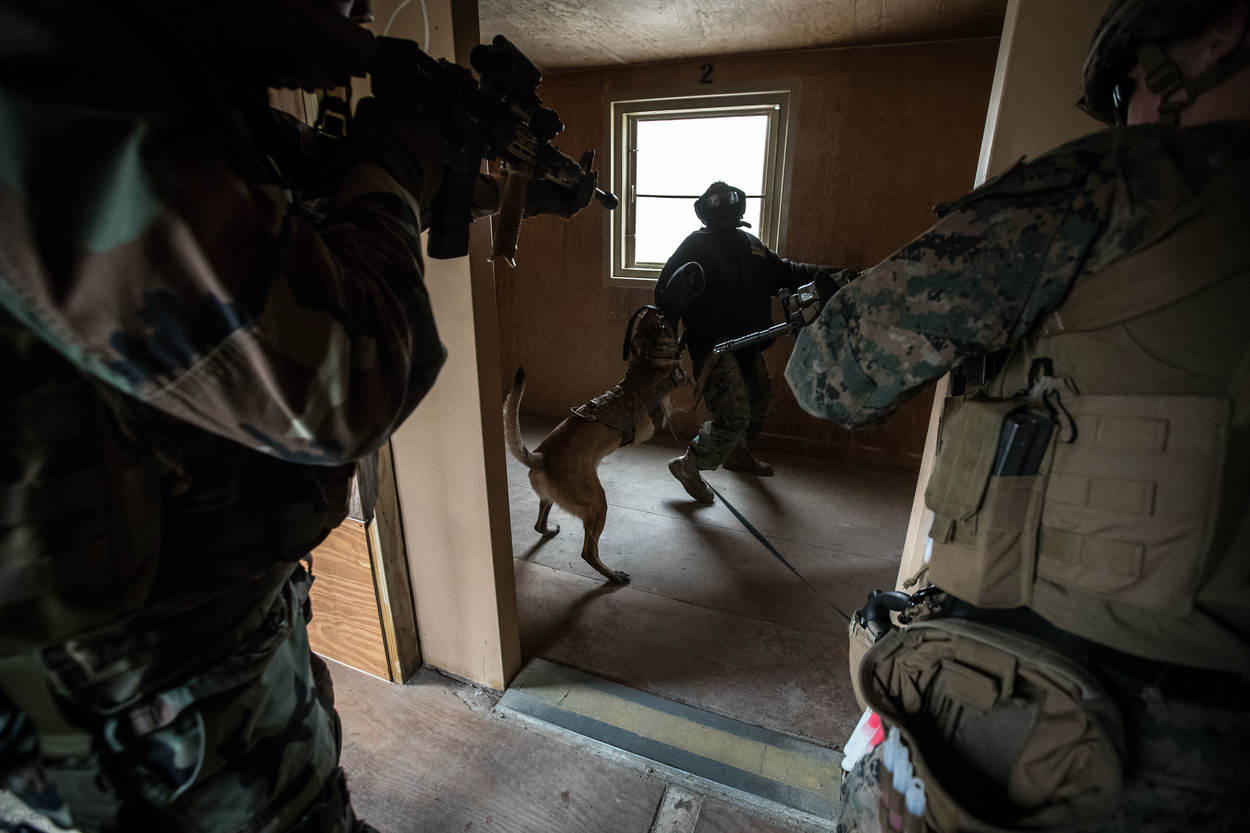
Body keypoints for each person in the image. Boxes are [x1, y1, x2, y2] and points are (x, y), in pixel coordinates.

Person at [0, 1, 575, 830]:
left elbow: (270, 207)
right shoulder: (56, 76)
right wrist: (391, 173)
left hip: (185, 694)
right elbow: (345, 377)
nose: (354, 14)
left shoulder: (154, 89)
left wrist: (418, 179)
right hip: (123, 750)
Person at [783, 0, 1250, 830]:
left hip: (1044, 720)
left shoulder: (1126, 182)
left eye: (1131, 87)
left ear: (1224, 32)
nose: (1129, 116)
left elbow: (829, 379)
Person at [655, 181, 833, 503]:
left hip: (750, 343)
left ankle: (739, 453)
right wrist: (667, 336)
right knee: (733, 414)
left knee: (759, 395)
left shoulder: (750, 244)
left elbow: (786, 272)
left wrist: (831, 275)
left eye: (729, 199)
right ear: (705, 208)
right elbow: (666, 289)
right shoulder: (695, 244)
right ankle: (689, 465)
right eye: (717, 200)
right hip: (714, 348)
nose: (724, 204)